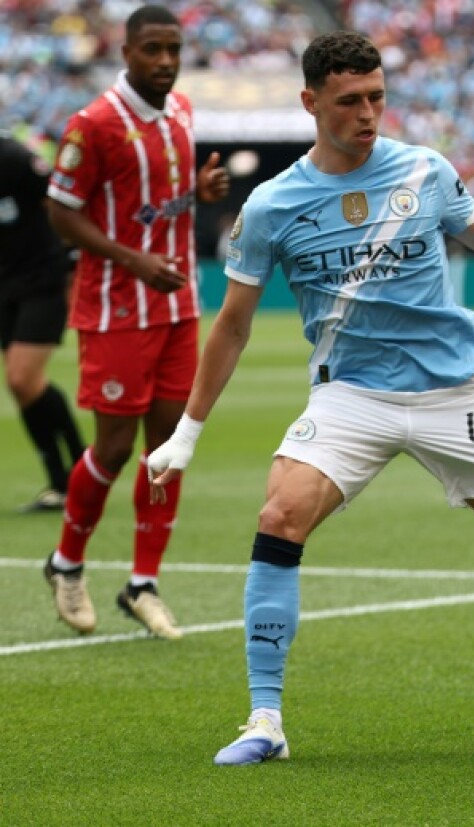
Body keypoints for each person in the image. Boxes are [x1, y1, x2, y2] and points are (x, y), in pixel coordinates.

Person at [144, 31, 474, 766]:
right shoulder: (271, 206)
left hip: (457, 392)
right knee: (279, 514)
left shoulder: (424, 170)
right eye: (350, 101)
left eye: (377, 98)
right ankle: (265, 719)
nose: (368, 113)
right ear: (310, 103)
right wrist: (189, 432)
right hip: (351, 397)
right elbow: (231, 325)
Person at [42, 5, 231, 639]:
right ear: (126, 52)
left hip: (179, 306)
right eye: (152, 49)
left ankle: (142, 584)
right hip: (118, 307)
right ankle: (66, 563)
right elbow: (61, 211)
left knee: (168, 450)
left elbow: (157, 202)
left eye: (173, 49)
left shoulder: (181, 111)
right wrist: (133, 260)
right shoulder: (92, 125)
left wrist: (199, 195)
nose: (165, 61)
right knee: (116, 447)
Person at [0, 133, 85, 512]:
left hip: (42, 278)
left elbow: (59, 203)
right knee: (23, 387)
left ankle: (78, 466)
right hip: (4, 284)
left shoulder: (15, 157)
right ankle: (63, 480)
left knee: (21, 378)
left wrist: (73, 259)